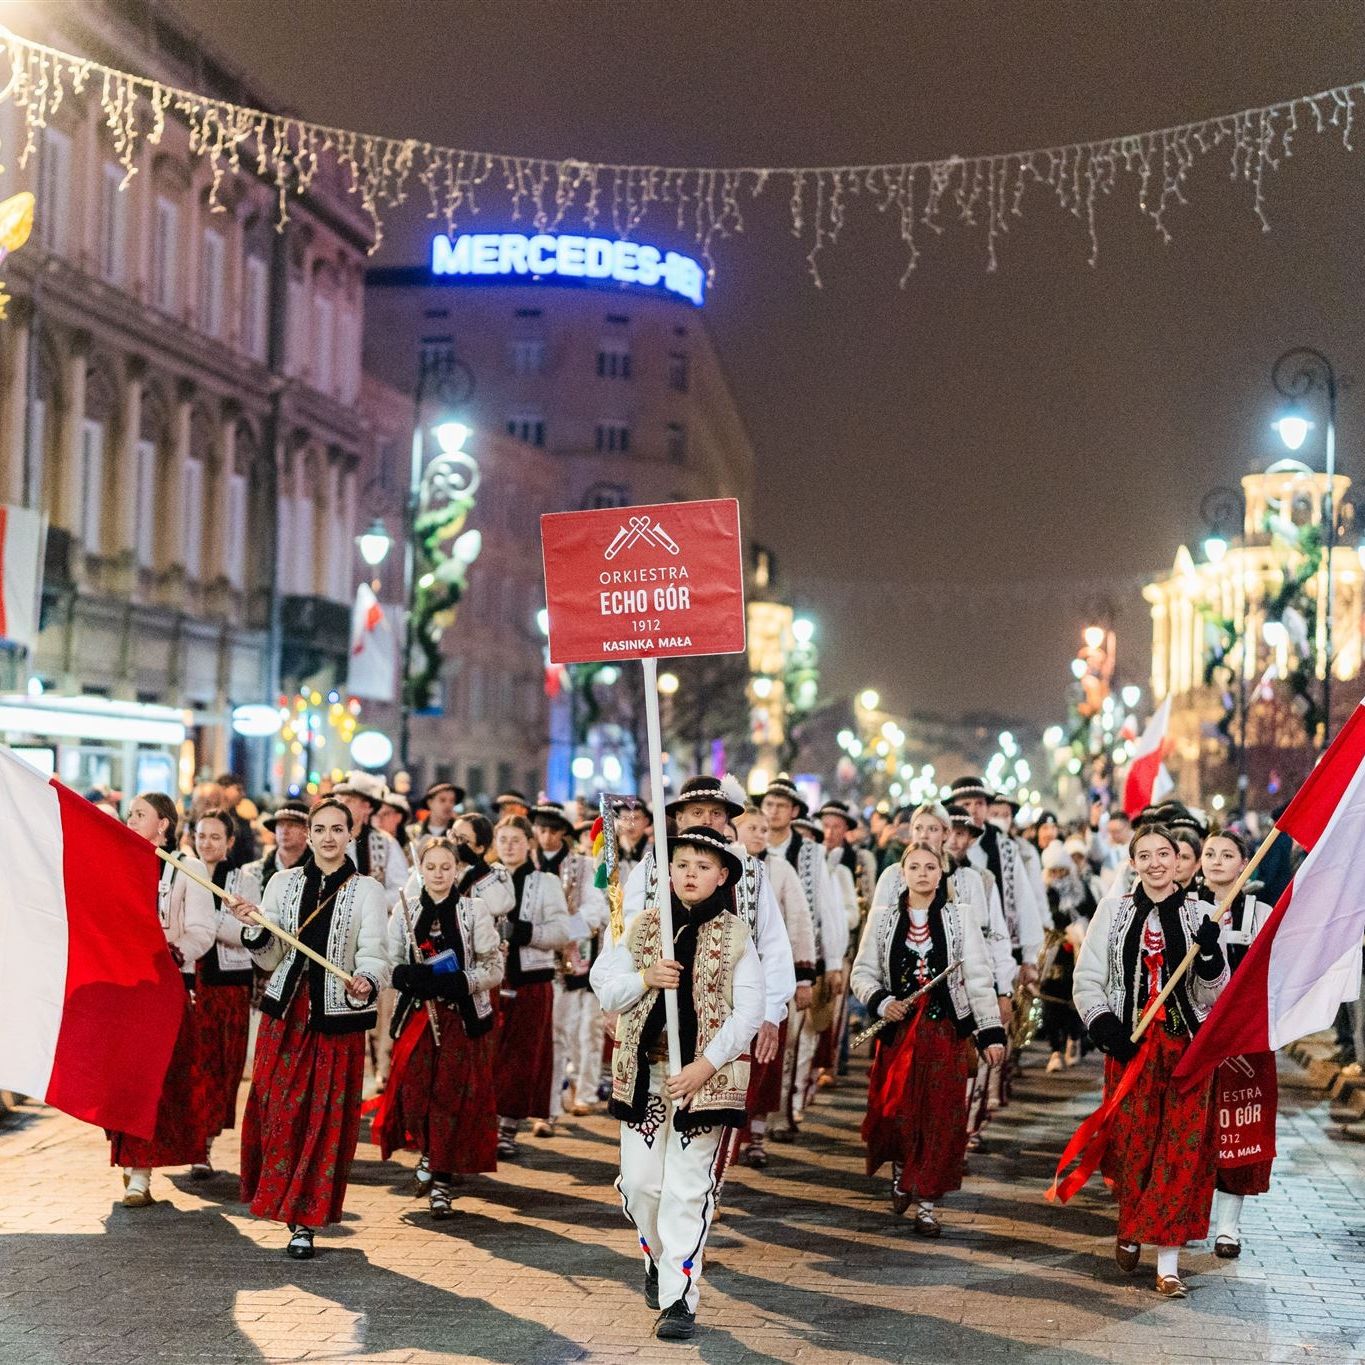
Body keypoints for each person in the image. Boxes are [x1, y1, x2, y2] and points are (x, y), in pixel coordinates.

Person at [591, 825, 764, 1343]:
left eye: (703, 866)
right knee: (642, 1184)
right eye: (682, 863)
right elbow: (606, 982)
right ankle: (658, 1256)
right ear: (669, 871)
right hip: (645, 1074)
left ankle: (678, 1300)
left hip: (703, 1081)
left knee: (686, 1190)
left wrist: (705, 1064)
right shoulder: (643, 927)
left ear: (722, 875)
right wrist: (646, 980)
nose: (691, 873)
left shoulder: (736, 935)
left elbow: (748, 1008)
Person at [229, 797, 390, 1259]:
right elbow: (270, 955)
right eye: (319, 829)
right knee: (278, 1107)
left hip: (337, 1020)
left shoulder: (367, 891)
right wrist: (254, 927)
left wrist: (368, 979)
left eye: (337, 829)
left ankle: (305, 1220)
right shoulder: (283, 882)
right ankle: (277, 1198)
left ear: (350, 835)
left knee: (324, 1120)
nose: (326, 837)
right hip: (285, 1013)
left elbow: (375, 952)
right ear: (308, 834)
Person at [1073, 824, 1228, 1297]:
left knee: (1179, 1151)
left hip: (1185, 1052)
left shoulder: (1202, 913)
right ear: (1133, 862)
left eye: (1167, 853)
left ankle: (1168, 1262)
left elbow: (1215, 991)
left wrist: (1207, 959)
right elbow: (1088, 979)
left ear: (1182, 861)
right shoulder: (1113, 912)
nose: (1157, 862)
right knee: (1132, 1145)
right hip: (1132, 1050)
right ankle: (1130, 1222)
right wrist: (1105, 1028)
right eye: (1146, 855)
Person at [851, 843, 1005, 1233]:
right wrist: (883, 1002)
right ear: (902, 873)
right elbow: (861, 974)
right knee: (899, 1114)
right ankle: (902, 1168)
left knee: (940, 1119)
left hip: (944, 1034)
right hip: (899, 1036)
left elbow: (979, 977)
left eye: (930, 866)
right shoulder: (883, 918)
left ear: (942, 873)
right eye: (914, 866)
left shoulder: (959, 917)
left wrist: (990, 1033)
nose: (922, 873)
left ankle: (927, 1206)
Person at [374, 837, 503, 1216]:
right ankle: (428, 1155)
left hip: (458, 1018)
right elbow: (387, 961)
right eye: (430, 867)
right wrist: (406, 975)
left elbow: (493, 967)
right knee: (415, 1094)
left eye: (446, 867)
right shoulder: (406, 910)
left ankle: (441, 1178)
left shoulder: (473, 910)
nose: (438, 874)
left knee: (449, 1097)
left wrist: (459, 982)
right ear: (420, 870)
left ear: (457, 869)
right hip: (417, 1016)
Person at [109, 793, 216, 1207]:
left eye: (141, 814)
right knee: (126, 1080)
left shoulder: (186, 868)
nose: (131, 819)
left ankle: (141, 1171)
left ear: (164, 825)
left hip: (167, 988)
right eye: (130, 813)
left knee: (154, 1082)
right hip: (128, 990)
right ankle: (133, 1163)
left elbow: (202, 930)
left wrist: (173, 954)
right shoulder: (121, 861)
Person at [1200, 828, 1278, 1259]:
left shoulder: (1261, 912)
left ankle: (1228, 1229)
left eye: (1227, 854)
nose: (1216, 861)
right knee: (1197, 1129)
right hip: (1197, 1035)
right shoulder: (1188, 908)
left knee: (1238, 1132)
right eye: (1209, 853)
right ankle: (1191, 1216)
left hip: (1245, 1040)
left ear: (1244, 864)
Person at [762, 775, 844, 1140]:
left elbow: (825, 908)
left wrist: (833, 960)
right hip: (756, 960)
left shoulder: (810, 854)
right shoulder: (749, 847)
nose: (774, 811)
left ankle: (785, 1109)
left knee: (792, 1040)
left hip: (796, 961)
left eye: (781, 805)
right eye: (769, 805)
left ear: (794, 812)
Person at [735, 805, 816, 1168]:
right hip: (732, 982)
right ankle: (730, 1134)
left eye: (764, 829)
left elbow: (797, 922)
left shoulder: (778, 869)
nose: (759, 834)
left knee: (765, 1064)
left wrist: (803, 975)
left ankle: (757, 1133)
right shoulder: (724, 868)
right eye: (751, 827)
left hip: (769, 977)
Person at [492, 814, 572, 1158]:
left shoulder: (545, 882)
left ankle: (508, 1127)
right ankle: (486, 1122)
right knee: (490, 1056)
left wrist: (523, 932)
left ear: (529, 843)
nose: (509, 846)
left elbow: (562, 931)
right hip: (492, 980)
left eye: (516, 839)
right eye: (503, 839)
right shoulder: (485, 880)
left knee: (521, 1059)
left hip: (531, 981)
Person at [189, 808, 261, 1179]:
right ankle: (198, 1143)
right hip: (195, 980)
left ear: (230, 842)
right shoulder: (185, 873)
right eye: (202, 836)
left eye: (215, 837)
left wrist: (206, 921)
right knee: (198, 1063)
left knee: (227, 1064)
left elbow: (246, 932)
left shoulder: (244, 880)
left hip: (231, 983)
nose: (207, 843)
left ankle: (210, 1135)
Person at [532, 801, 610, 1130]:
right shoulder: (527, 862)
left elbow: (598, 909)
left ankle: (565, 1099)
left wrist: (568, 931)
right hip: (530, 959)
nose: (546, 836)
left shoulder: (582, 865)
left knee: (570, 1033)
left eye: (553, 830)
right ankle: (539, 1107)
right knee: (540, 1037)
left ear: (564, 832)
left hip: (570, 961)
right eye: (541, 829)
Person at [1040, 839, 1092, 1072]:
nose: (1059, 875)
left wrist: (1079, 928)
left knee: (1075, 999)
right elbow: (1043, 916)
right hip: (1052, 952)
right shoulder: (1043, 891)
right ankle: (1055, 1049)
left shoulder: (1080, 888)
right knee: (1051, 1003)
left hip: (1076, 953)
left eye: (1062, 870)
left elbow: (1091, 909)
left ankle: (1074, 1038)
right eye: (1054, 871)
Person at [334, 770, 407, 906]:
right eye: (338, 800)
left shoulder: (386, 843)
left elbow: (400, 889)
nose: (341, 805)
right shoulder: (321, 840)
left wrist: (367, 904)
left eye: (349, 800)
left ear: (367, 807)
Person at [250, 800, 313, 889]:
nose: (284, 831)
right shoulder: (254, 872)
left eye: (291, 825)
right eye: (280, 825)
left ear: (306, 830)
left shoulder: (319, 870)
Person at [215, 771, 260, 868]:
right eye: (238, 790)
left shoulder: (242, 821)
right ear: (223, 788)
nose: (243, 794)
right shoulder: (210, 817)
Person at [408, 780, 464, 848]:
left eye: (452, 801)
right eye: (442, 800)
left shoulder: (459, 834)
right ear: (430, 803)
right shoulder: (412, 833)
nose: (448, 805)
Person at [375, 788, 413, 860]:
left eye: (385, 814)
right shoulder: (369, 845)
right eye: (376, 815)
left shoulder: (412, 848)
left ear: (399, 817)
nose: (379, 819)